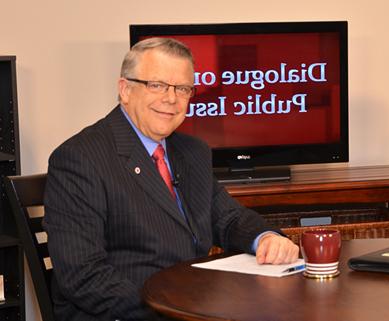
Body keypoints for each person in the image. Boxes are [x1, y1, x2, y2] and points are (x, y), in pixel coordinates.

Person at [43, 37, 299, 320]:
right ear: (125, 89)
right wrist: (173, 309)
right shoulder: (80, 158)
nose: (171, 99)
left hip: (191, 302)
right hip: (127, 312)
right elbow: (83, 275)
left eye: (182, 88)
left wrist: (265, 238)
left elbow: (227, 218)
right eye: (157, 85)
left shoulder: (192, 151)